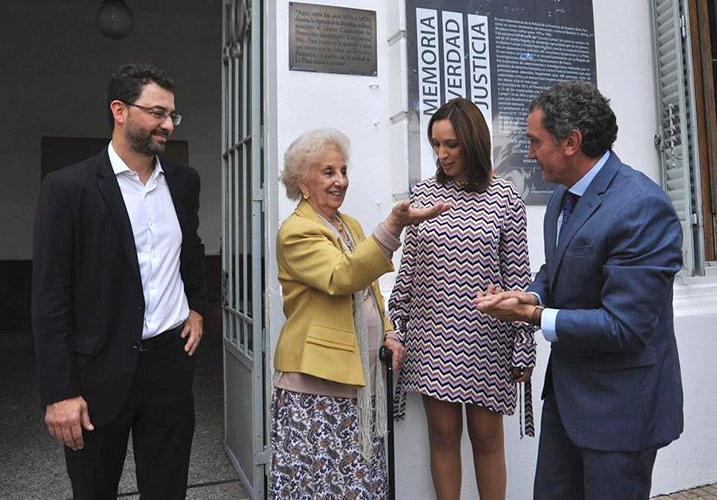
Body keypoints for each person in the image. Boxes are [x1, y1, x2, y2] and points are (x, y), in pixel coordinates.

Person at [475, 80, 684, 500]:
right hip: (567, 405)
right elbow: (559, 269)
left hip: (620, 412)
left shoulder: (642, 206)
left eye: (535, 142)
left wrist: (534, 317)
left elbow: (625, 327)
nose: (529, 154)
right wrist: (531, 295)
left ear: (571, 142)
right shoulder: (562, 197)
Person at [31, 63, 206, 499]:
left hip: (169, 366)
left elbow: (192, 250)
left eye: (172, 115)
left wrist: (197, 307)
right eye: (157, 112)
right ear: (119, 111)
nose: (167, 124)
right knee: (94, 490)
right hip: (97, 371)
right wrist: (60, 392)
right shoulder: (68, 188)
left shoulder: (183, 182)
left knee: (167, 489)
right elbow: (50, 298)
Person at [270, 128, 448, 498]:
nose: (340, 182)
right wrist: (393, 226)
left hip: (359, 383)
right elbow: (344, 276)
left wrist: (388, 333)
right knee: (319, 485)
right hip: (316, 389)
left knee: (355, 485)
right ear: (303, 182)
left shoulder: (348, 224)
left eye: (343, 171)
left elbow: (370, 292)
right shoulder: (296, 231)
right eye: (328, 172)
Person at [388, 98, 535, 500]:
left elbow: (518, 277)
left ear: (472, 141)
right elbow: (409, 271)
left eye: (451, 144)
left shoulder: (505, 198)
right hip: (432, 334)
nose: (442, 154)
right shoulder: (422, 195)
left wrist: (525, 343)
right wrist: (395, 328)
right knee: (442, 436)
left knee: (487, 439)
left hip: (488, 338)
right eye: (436, 144)